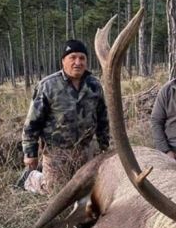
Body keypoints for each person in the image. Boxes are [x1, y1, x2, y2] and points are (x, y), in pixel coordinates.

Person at [19, 39, 110, 194]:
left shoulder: (94, 85)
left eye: (82, 58)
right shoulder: (47, 86)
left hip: (86, 150)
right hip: (56, 152)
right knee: (57, 192)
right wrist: (30, 154)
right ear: (63, 61)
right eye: (72, 57)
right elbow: (32, 124)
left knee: (87, 190)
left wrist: (105, 146)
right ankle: (31, 178)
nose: (78, 62)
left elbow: (102, 119)